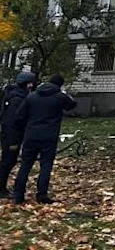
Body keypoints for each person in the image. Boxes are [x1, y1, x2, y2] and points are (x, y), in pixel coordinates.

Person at [12, 73, 76, 205]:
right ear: (60, 85)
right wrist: (65, 94)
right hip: (49, 136)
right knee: (45, 165)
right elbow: (72, 105)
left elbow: (19, 115)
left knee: (25, 164)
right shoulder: (59, 97)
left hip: (31, 135)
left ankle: (18, 194)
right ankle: (41, 195)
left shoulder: (32, 96)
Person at [0, 72, 36, 197]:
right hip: (12, 135)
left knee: (9, 160)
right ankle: (1, 188)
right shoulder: (17, 99)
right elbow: (14, 120)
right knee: (8, 161)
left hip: (9, 134)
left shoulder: (12, 96)